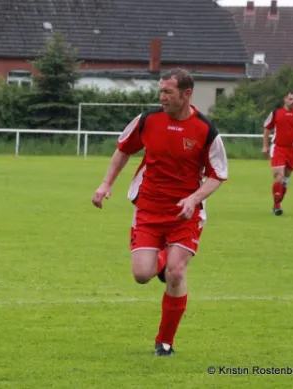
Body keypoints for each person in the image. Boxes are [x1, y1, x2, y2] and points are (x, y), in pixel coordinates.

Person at [91, 69, 228, 356]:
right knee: (142, 275)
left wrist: (194, 198)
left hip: (184, 214)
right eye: (161, 91)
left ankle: (164, 343)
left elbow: (218, 175)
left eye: (168, 92)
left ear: (186, 94)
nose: (162, 97)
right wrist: (106, 184)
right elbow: (123, 150)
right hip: (149, 210)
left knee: (177, 273)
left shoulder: (205, 130)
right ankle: (163, 259)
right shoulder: (147, 120)